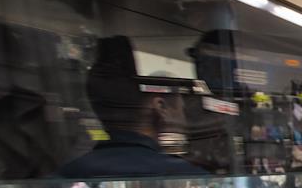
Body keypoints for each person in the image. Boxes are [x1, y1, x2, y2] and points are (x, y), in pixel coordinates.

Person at [59, 35, 204, 178]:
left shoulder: (69, 172)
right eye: (182, 107)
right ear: (161, 107)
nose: (185, 117)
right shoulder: (183, 175)